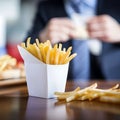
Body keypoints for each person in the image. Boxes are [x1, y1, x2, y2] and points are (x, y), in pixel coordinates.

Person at [25, 0, 120, 80]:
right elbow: (25, 50)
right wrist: (42, 37)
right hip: (61, 86)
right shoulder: (47, 7)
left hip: (113, 83)